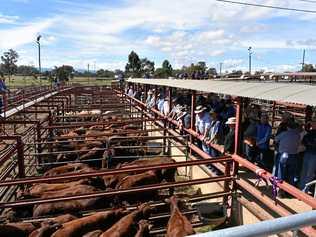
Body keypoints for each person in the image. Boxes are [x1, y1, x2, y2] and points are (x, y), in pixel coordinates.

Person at [275, 120, 301, 187]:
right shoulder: (298, 135)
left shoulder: (284, 133)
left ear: (288, 127)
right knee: (291, 173)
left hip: (283, 155)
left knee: (281, 172)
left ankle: (280, 189)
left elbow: (276, 139)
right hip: (293, 155)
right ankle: (290, 189)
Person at [300, 119, 316, 192]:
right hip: (308, 153)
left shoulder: (310, 133)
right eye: (312, 123)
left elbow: (305, 142)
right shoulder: (309, 132)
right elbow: (304, 141)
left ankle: (305, 189)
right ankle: (302, 188)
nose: (312, 124)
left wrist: (309, 143)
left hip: (314, 154)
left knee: (309, 172)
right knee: (304, 171)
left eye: (313, 123)